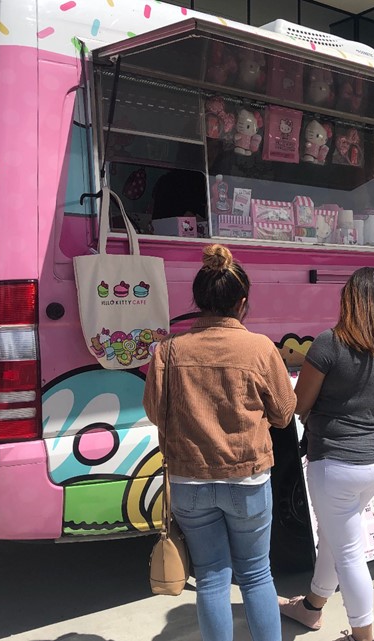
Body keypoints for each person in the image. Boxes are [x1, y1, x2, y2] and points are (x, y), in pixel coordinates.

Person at [143, 244, 296, 641]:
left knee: (211, 576)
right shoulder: (260, 348)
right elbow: (283, 413)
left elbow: (155, 412)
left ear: (199, 301)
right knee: (256, 573)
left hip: (190, 483)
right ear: (241, 302)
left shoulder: (169, 351)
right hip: (247, 480)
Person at [278, 267, 374, 641]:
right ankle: (311, 607)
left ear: (348, 299)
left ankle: (362, 637)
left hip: (336, 463)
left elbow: (299, 405)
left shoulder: (328, 344)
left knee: (349, 552)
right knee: (337, 539)